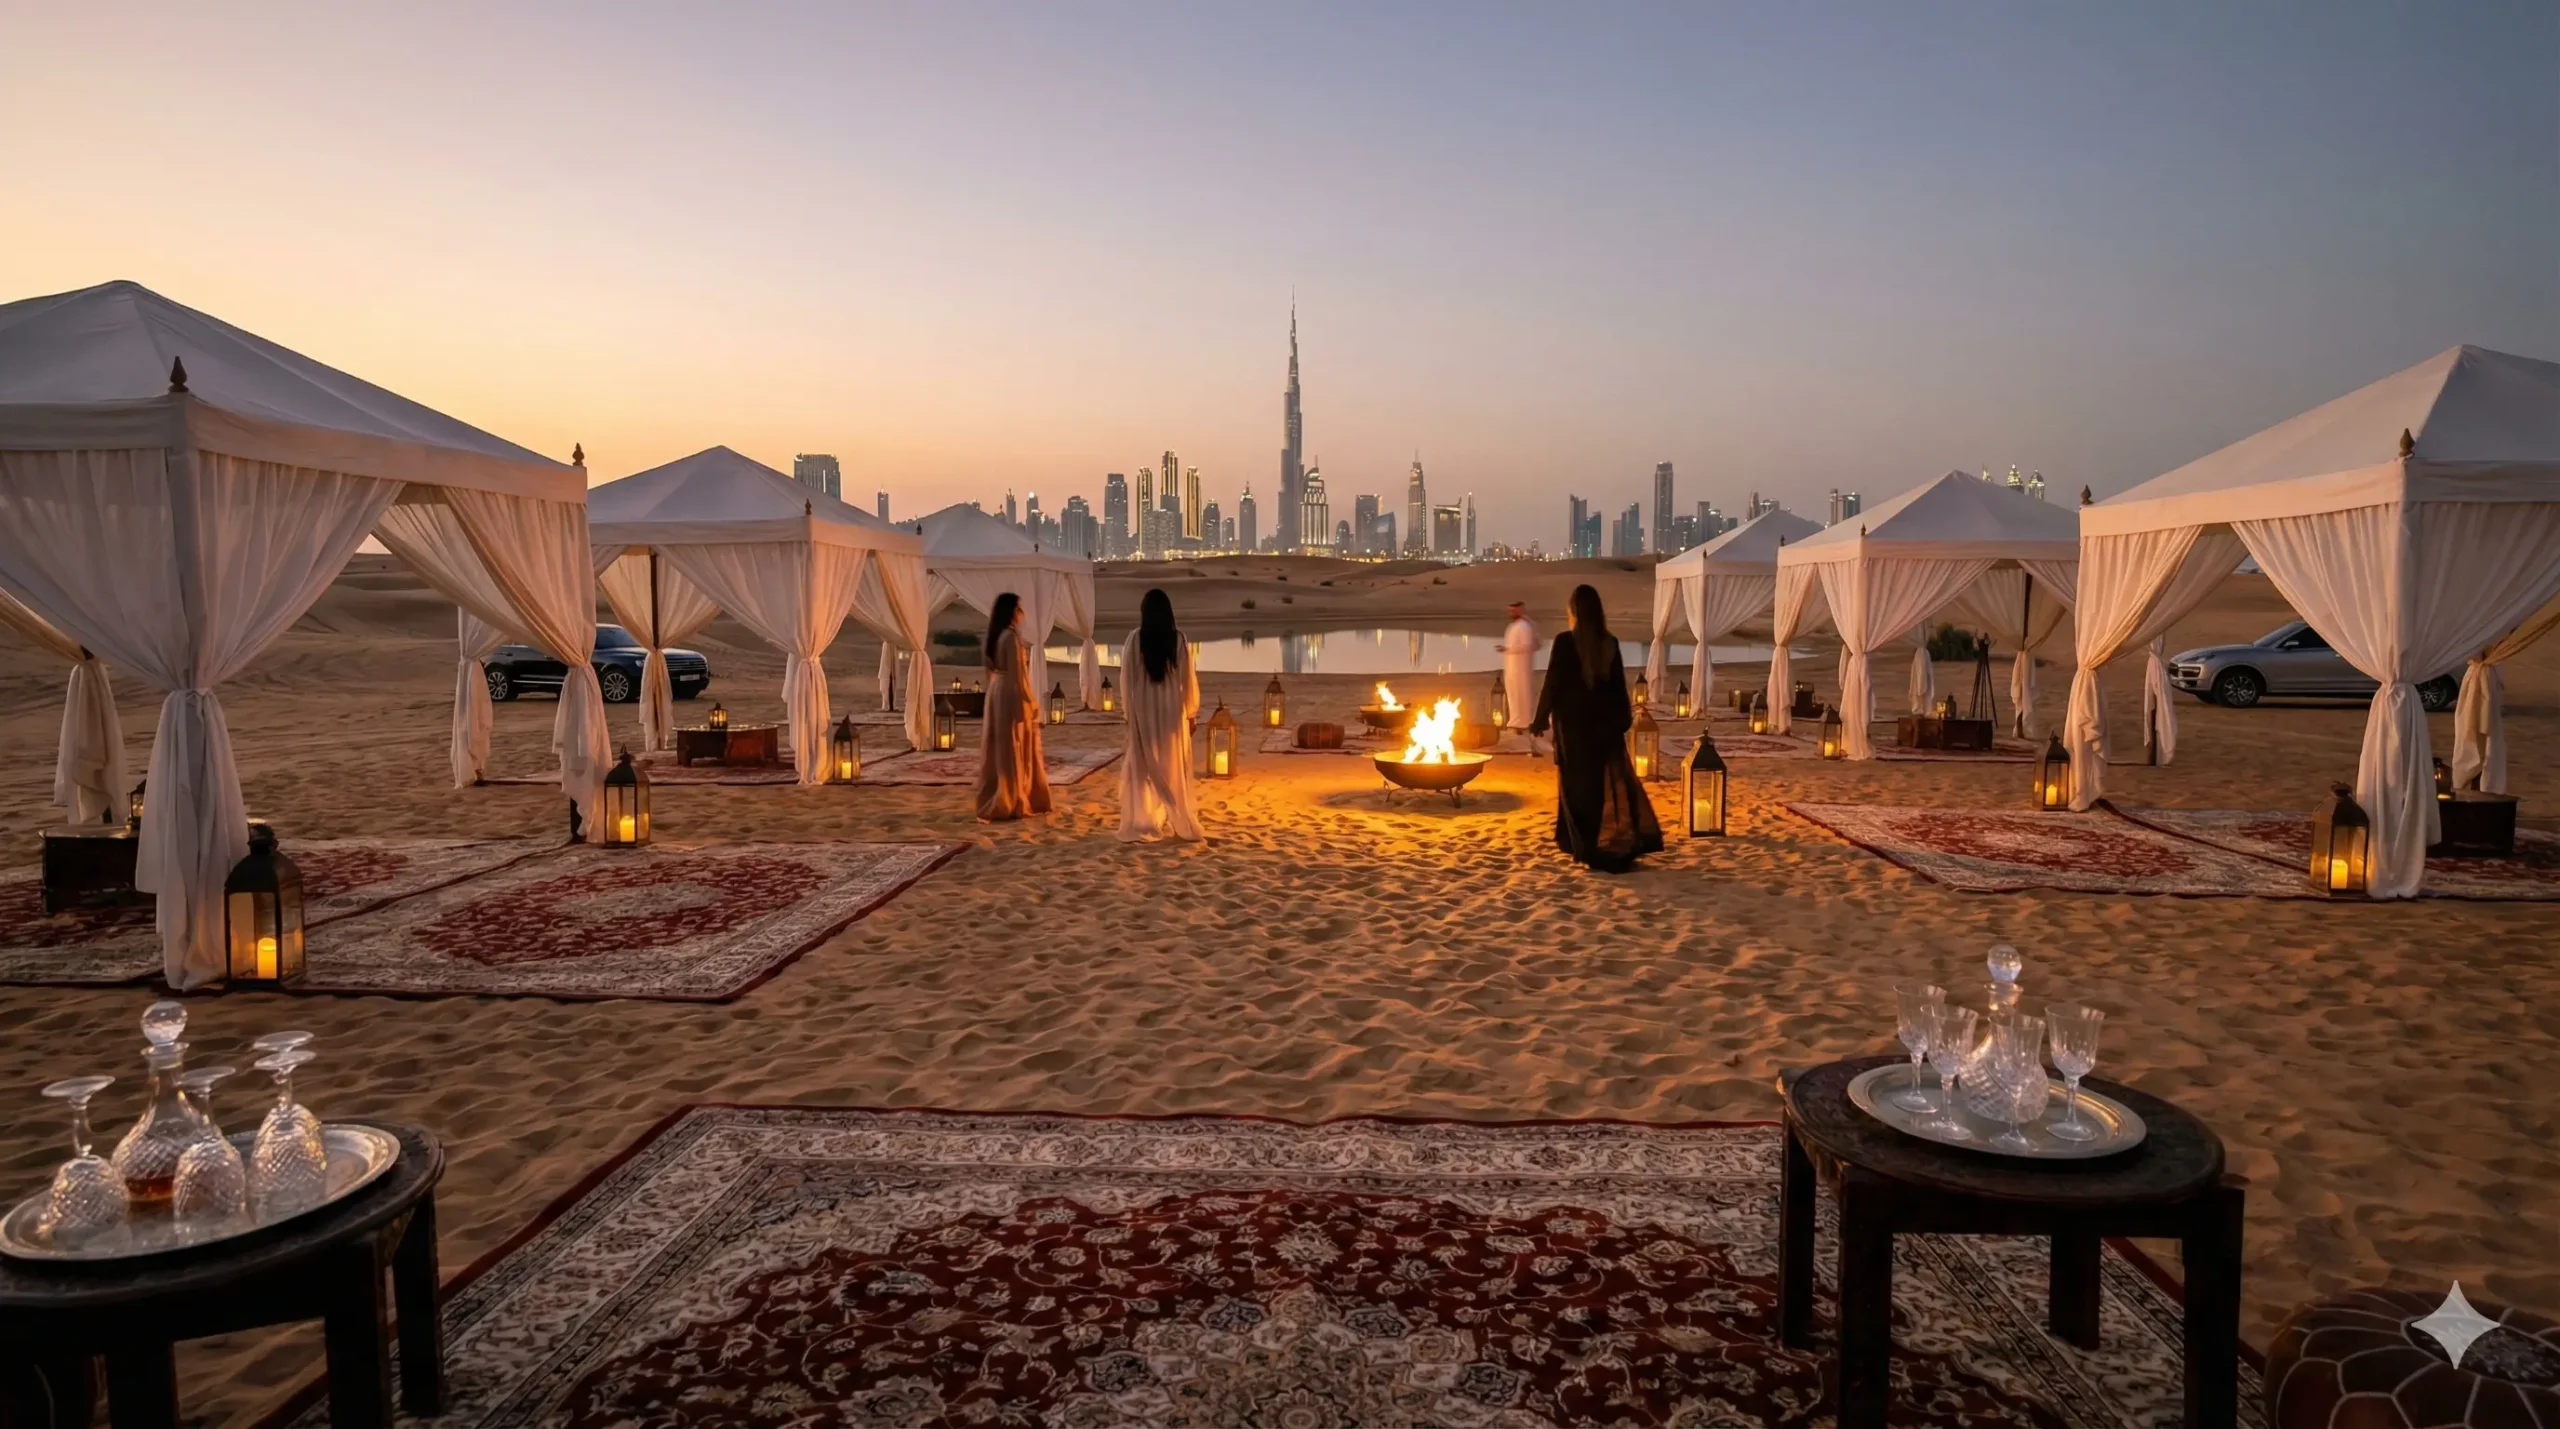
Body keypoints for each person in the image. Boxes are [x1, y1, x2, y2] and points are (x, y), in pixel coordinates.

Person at [1529, 584, 1664, 872]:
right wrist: (1621, 722)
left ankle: (1588, 846)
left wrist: (1540, 718)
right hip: (1602, 728)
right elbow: (1618, 690)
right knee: (1598, 786)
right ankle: (1592, 845)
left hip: (1575, 729)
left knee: (1577, 788)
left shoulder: (1566, 642)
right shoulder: (1609, 642)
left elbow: (1553, 683)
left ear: (1575, 611)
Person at [1118, 588, 1203, 842]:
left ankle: (1144, 818)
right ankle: (1176, 814)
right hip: (1170, 711)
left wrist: (1129, 712)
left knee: (1143, 766)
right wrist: (1190, 712)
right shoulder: (1178, 640)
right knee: (1172, 764)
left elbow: (1126, 679)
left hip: (1144, 708)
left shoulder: (1135, 639)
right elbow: (1187, 680)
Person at [974, 592, 1053, 821]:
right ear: (1011, 612)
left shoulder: (994, 636)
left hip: (997, 692)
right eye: (1019, 608)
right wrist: (1029, 702)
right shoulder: (1009, 638)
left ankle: (1007, 793)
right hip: (1009, 693)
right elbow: (1019, 676)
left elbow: (991, 670)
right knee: (1012, 745)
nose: (1022, 613)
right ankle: (1012, 797)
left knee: (1001, 745)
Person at [1498, 600, 1537, 732]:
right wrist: (1507, 650)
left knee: (1521, 694)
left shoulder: (1524, 626)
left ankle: (1523, 723)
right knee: (1513, 694)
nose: (1511, 613)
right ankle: (1515, 720)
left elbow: (1526, 646)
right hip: (1511, 666)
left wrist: (1508, 649)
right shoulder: (1513, 626)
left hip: (1521, 667)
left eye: (1514, 610)